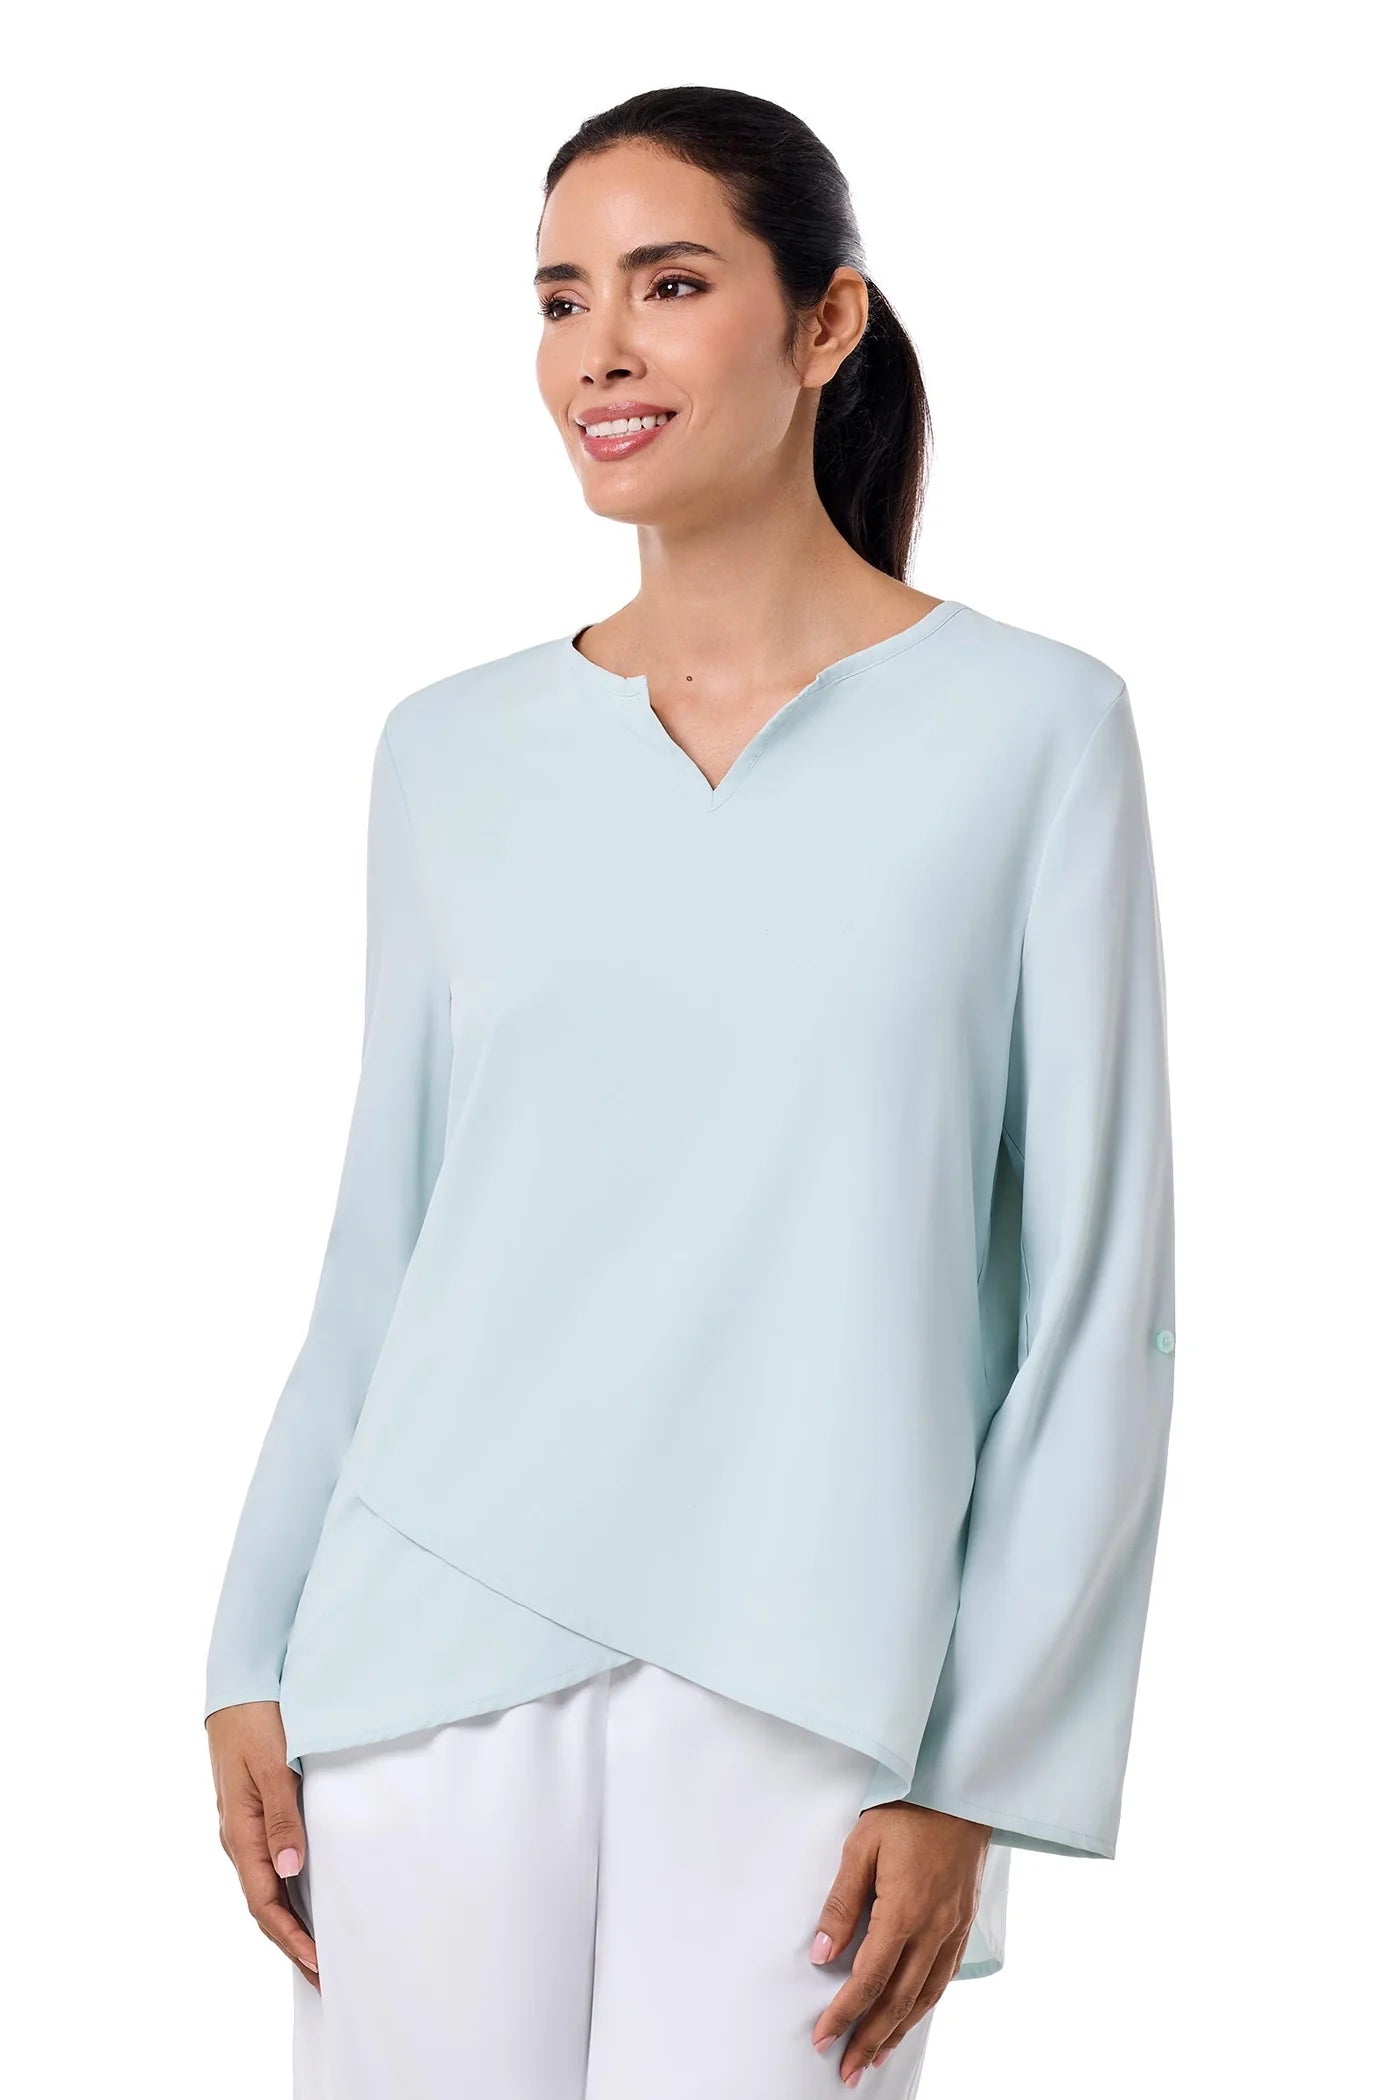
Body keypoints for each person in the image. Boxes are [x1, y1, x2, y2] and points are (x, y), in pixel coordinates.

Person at [203, 84, 1177, 2099]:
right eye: (561, 298)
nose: (599, 352)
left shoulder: (1033, 732)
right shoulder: (449, 754)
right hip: (414, 1661)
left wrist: (980, 1765)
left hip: (814, 1674)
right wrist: (250, 1650)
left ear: (826, 323)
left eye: (667, 285)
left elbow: (1096, 1301)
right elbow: (386, 1245)